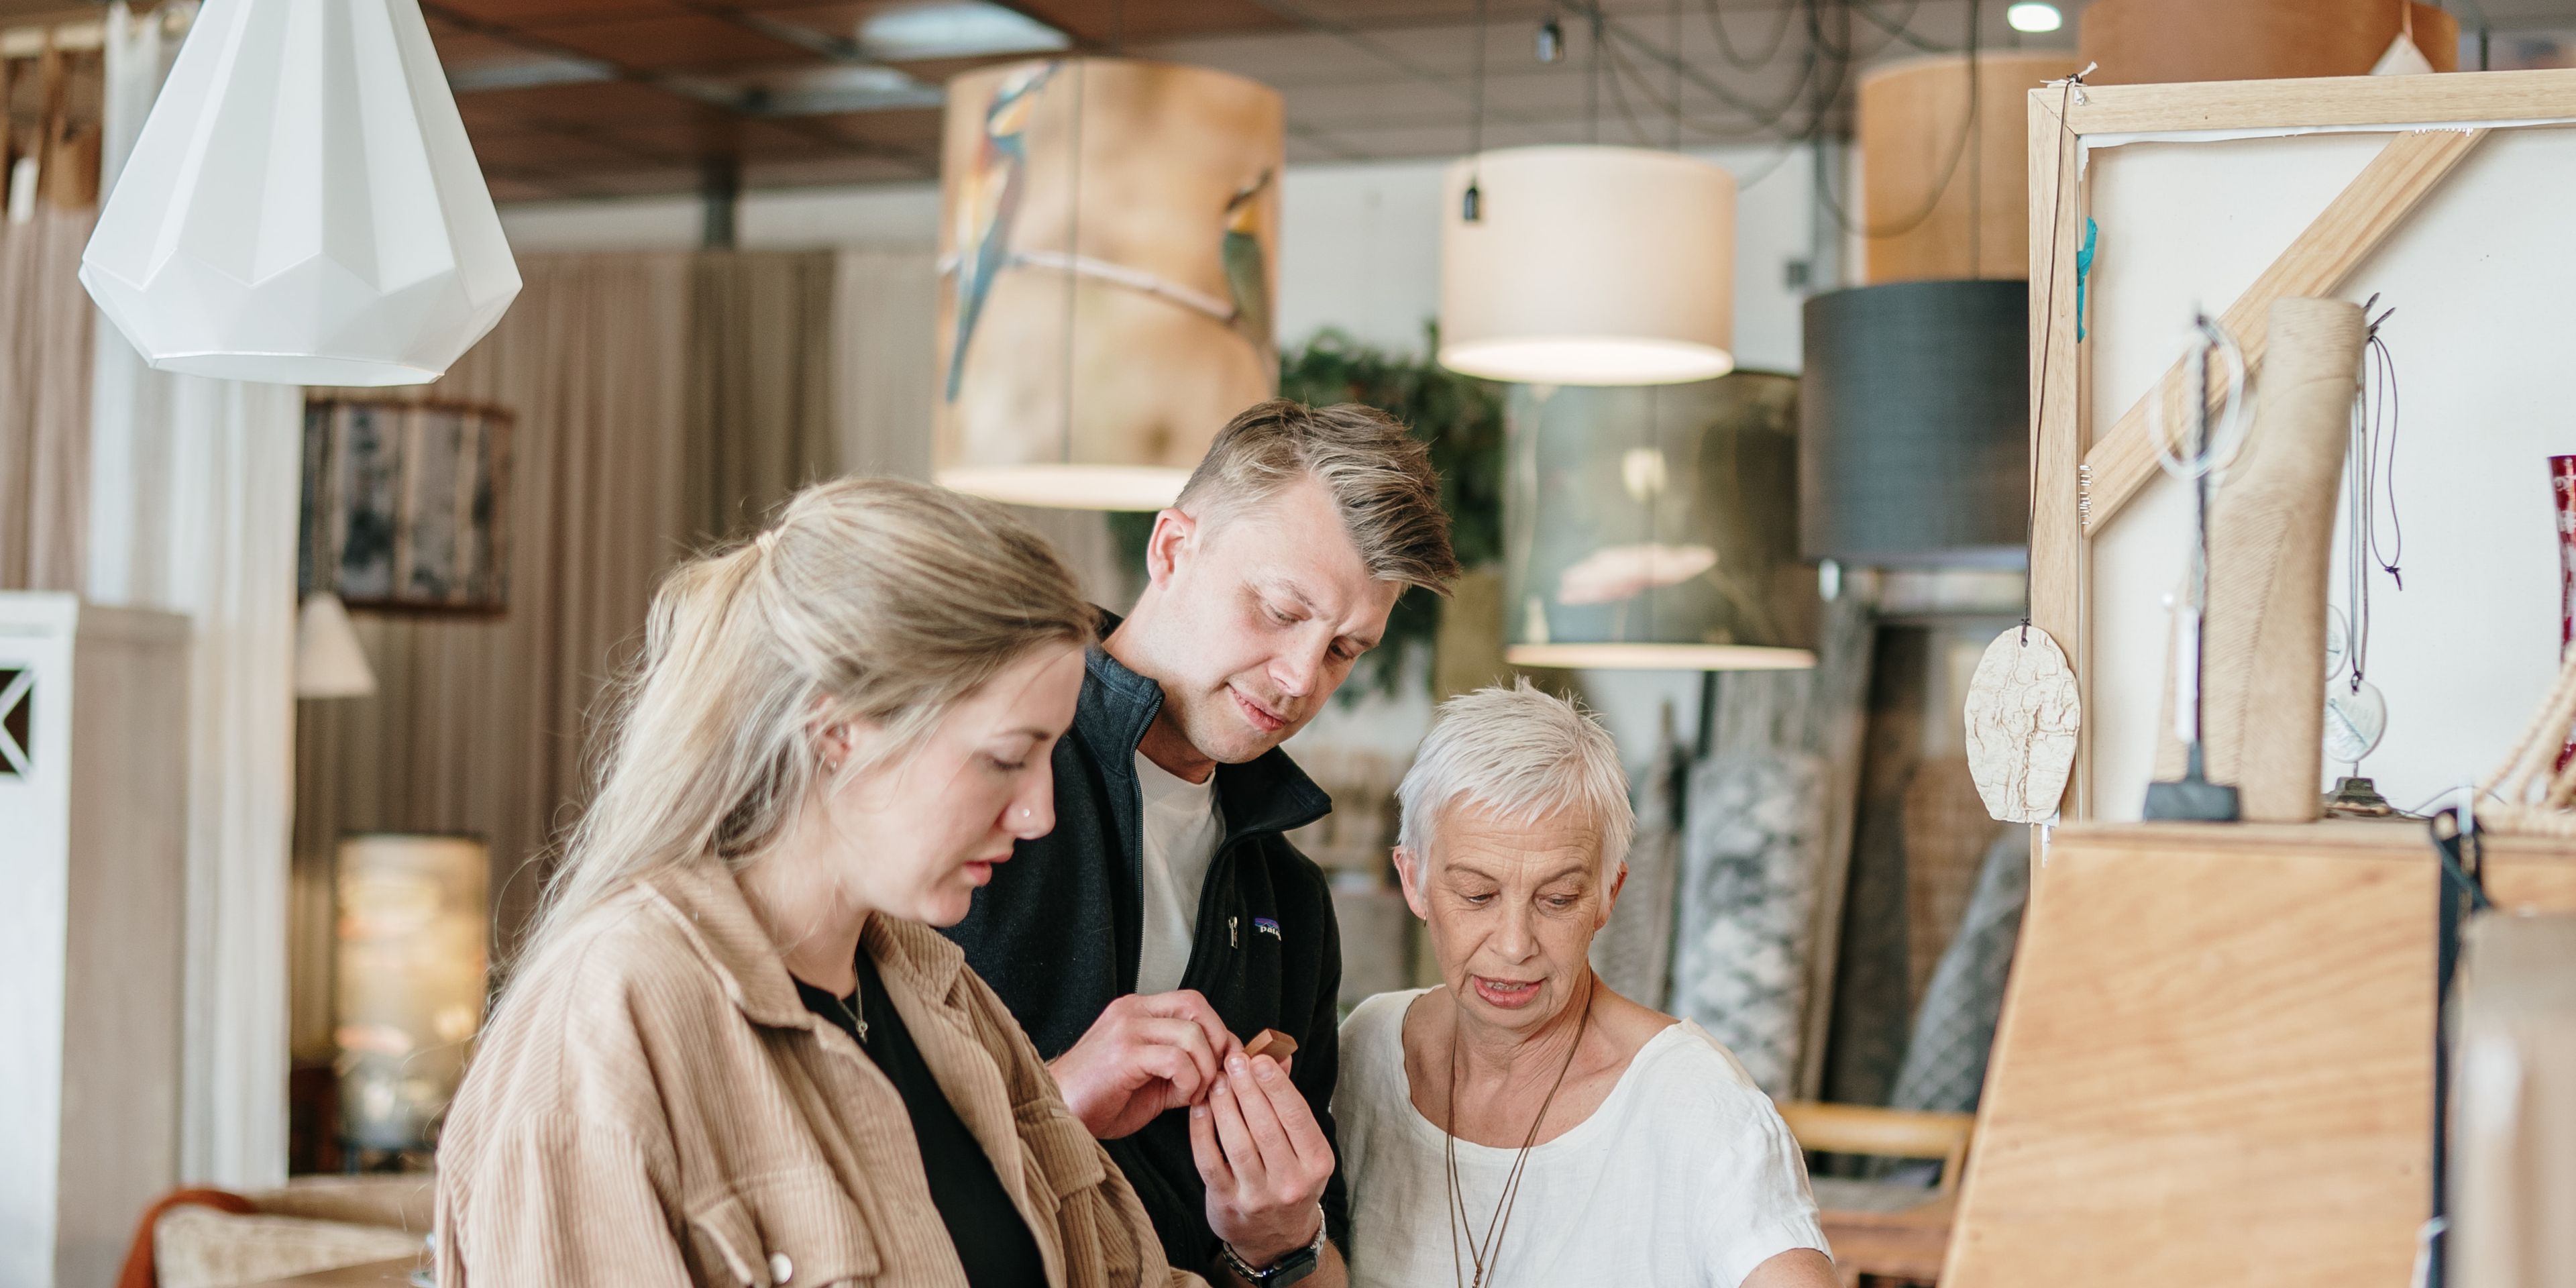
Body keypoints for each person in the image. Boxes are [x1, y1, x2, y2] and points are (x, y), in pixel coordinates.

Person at [435, 478, 1203, 1288]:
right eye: (1006, 758)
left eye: (1051, 754)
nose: (1040, 813)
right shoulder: (608, 1024)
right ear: (837, 730)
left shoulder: (942, 994)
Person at [943, 399, 1459, 1288]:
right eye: (1279, 610)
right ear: (1173, 549)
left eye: (1345, 650)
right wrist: (1057, 1100)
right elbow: (819, 1147)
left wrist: (1279, 1242)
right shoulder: (968, 772)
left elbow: (1323, 1270)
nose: (1300, 678)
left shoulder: (1293, 903)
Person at [1335, 681, 1838, 1288]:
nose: (1514, 944)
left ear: (1607, 896)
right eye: (1477, 895)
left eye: (1558, 899)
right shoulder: (1368, 1049)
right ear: (1413, 880)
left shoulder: (1697, 1103)